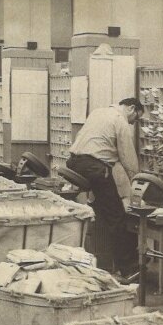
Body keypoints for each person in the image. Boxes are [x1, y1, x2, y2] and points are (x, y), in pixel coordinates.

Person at [66, 97, 143, 279]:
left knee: (101, 210)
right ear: (131, 108)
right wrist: (139, 184)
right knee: (117, 217)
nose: (134, 123)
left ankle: (104, 259)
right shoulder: (120, 120)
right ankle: (128, 268)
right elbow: (128, 159)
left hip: (75, 162)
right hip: (94, 167)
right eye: (136, 118)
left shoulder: (98, 112)